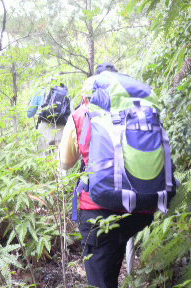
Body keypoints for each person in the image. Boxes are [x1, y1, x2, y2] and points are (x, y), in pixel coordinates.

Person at [59, 63, 156, 288]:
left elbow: (66, 162)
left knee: (101, 278)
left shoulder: (81, 114)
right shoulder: (140, 111)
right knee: (117, 243)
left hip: (98, 209)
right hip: (140, 208)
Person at [27, 84, 68, 153]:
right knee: (59, 158)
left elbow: (29, 114)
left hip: (45, 128)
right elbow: (71, 113)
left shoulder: (40, 92)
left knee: (44, 158)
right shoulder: (65, 93)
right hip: (61, 129)